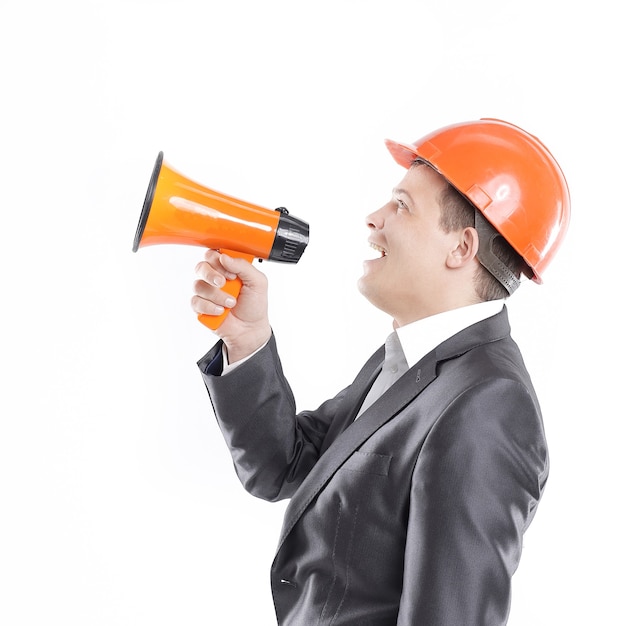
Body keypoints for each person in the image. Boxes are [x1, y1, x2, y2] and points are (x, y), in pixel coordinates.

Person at [191, 118, 570, 625]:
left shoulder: (488, 407)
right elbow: (285, 466)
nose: (374, 218)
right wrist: (247, 339)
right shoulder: (408, 360)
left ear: (461, 247)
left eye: (402, 205)